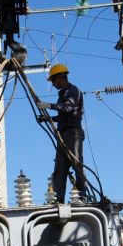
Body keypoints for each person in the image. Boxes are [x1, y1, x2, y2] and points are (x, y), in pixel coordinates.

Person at [36, 64, 86, 203]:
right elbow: (63, 115)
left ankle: (82, 194)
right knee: (60, 167)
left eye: (53, 80)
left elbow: (69, 108)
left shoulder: (73, 90)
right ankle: (59, 199)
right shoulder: (62, 94)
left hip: (73, 133)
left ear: (60, 77)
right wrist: (48, 119)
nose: (52, 83)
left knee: (76, 163)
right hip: (63, 133)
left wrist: (49, 106)